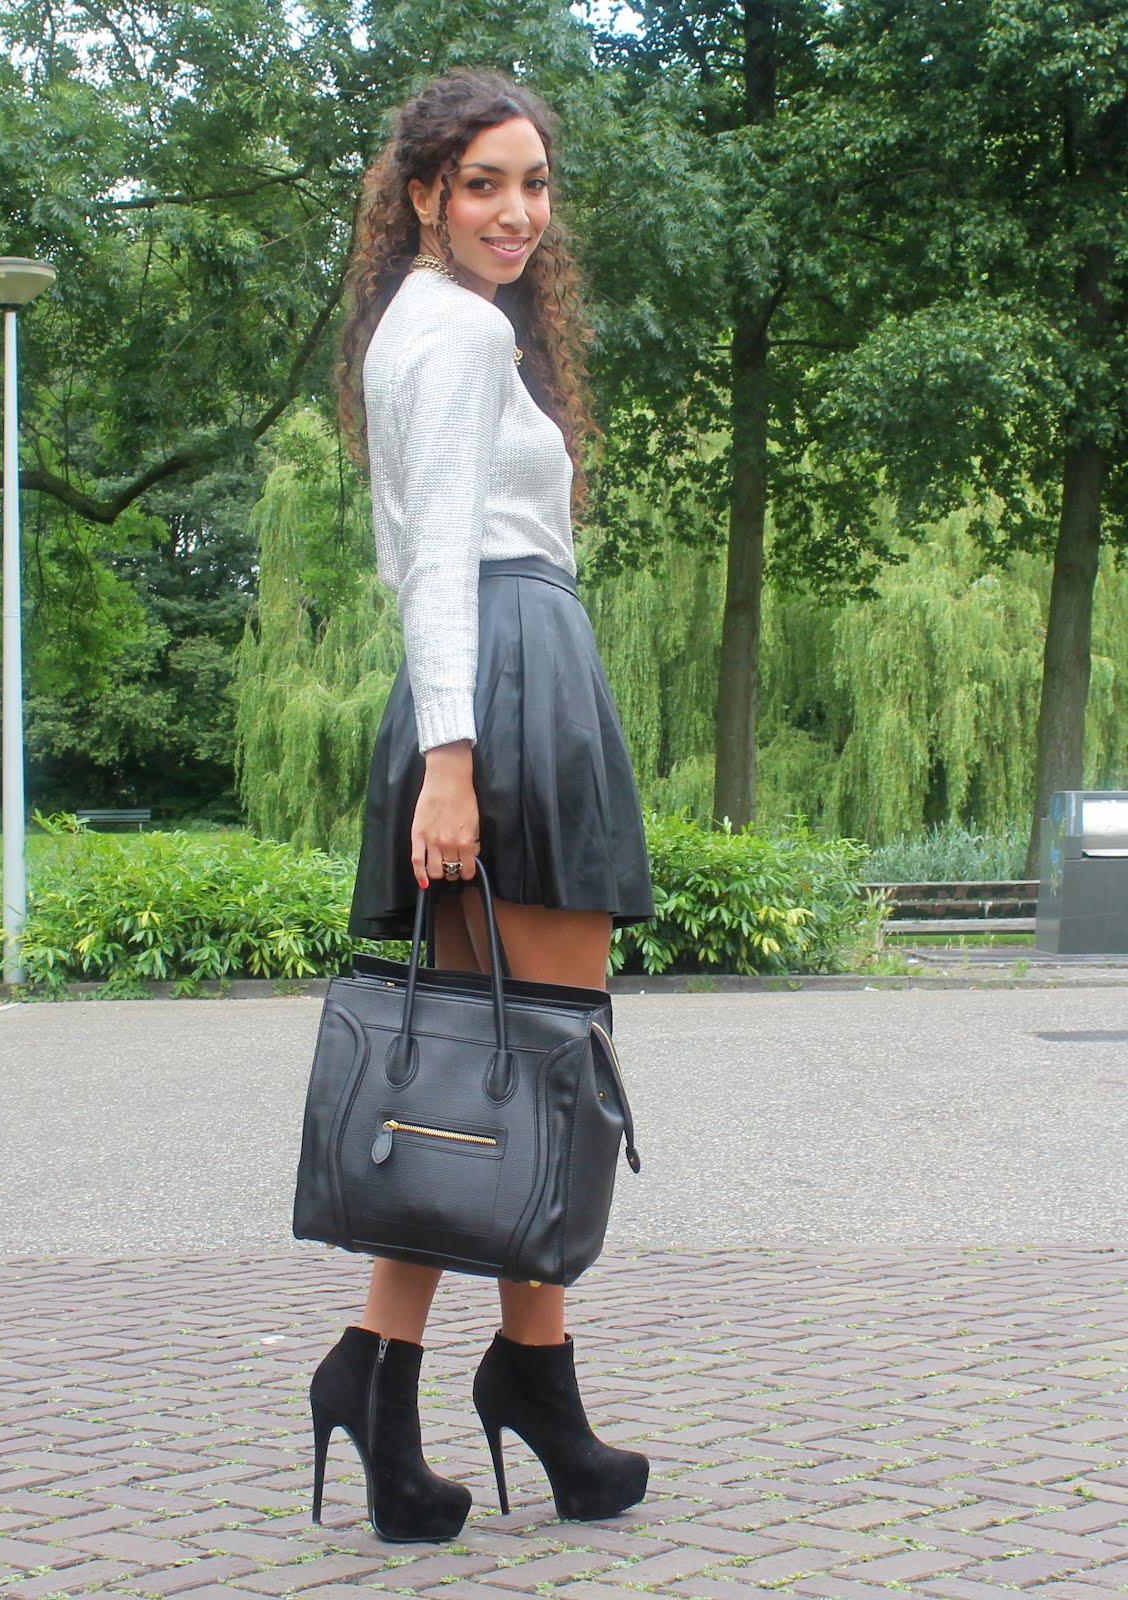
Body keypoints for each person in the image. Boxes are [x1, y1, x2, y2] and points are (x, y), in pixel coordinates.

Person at [308, 68, 656, 1543]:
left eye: (535, 184)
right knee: (543, 1061)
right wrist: (451, 759)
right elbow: (437, 556)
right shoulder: (455, 332)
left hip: (488, 683)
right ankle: (506, 1383)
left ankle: (420, 1382)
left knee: (495, 1068)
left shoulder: (425, 322)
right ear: (424, 196)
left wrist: (448, 738)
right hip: (506, 682)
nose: (519, 213)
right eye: (485, 185)